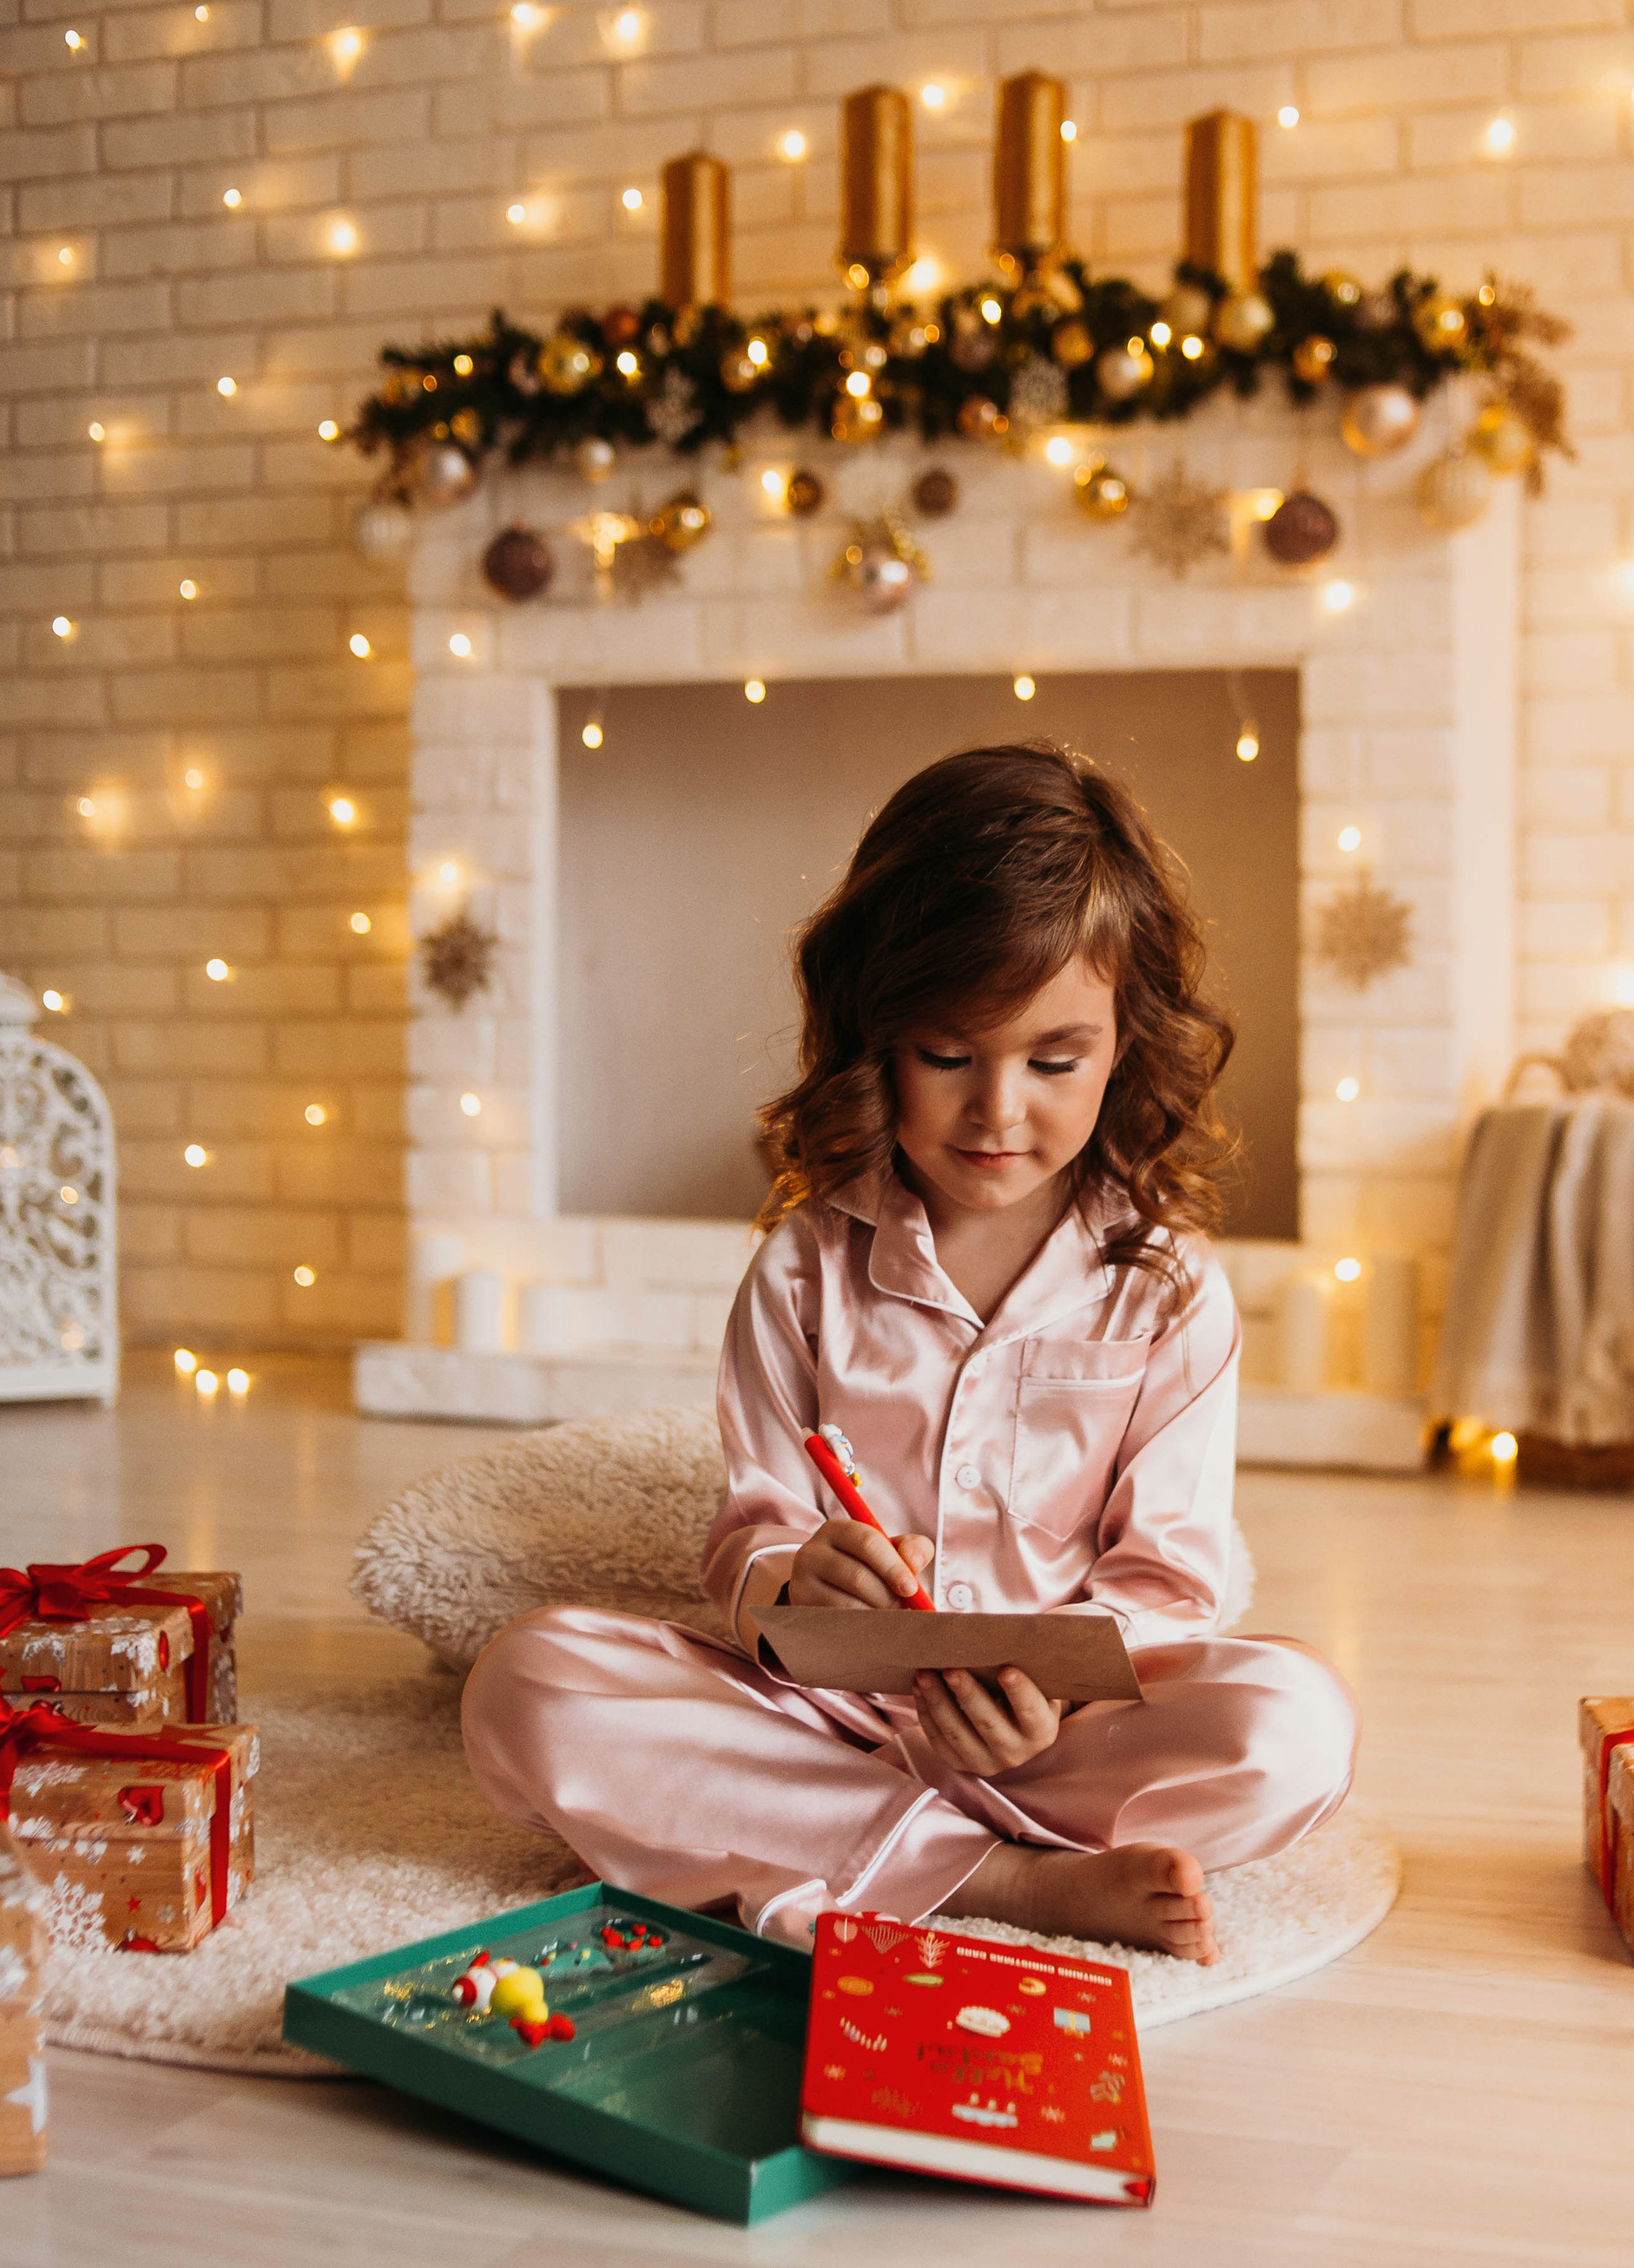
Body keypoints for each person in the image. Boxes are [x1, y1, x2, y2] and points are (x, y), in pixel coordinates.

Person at [463, 741, 1358, 1960]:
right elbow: (752, 1535)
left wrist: (1047, 1700)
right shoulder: (802, 1269)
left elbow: (1172, 1581)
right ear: (874, 1038)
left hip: (1062, 1737)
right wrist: (794, 1577)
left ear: (1127, 1042)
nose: (998, 1111)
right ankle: (1003, 1878)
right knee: (532, 1689)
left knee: (1295, 1724)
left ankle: (831, 1843)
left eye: (1055, 1061)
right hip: (817, 1714)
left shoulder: (1172, 1290)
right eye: (949, 1056)